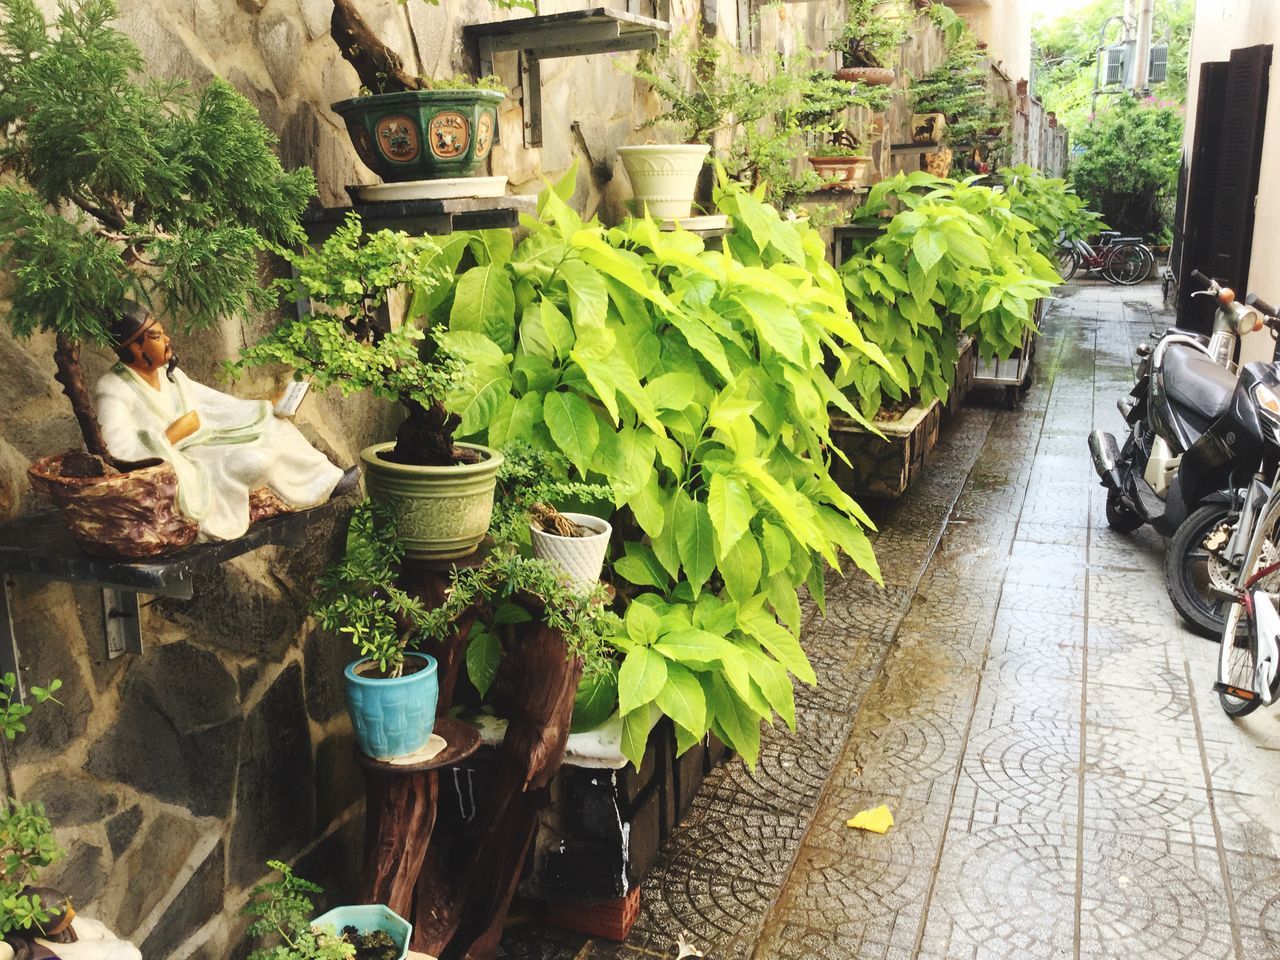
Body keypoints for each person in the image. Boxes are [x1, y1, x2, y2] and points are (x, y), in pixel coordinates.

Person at [94, 301, 356, 542]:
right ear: (135, 348)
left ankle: (328, 481)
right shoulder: (114, 388)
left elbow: (215, 404)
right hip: (182, 462)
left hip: (206, 440)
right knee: (256, 460)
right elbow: (116, 450)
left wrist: (264, 408)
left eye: (163, 333)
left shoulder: (170, 375)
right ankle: (234, 510)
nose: (167, 340)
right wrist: (170, 436)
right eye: (157, 337)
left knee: (274, 425)